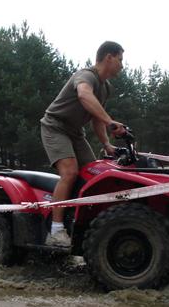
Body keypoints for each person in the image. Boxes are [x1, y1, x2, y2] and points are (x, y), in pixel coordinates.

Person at [40, 41, 126, 247]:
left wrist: (106, 144)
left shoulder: (106, 87)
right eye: (120, 60)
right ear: (109, 57)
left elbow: (96, 117)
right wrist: (110, 121)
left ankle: (77, 222)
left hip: (75, 133)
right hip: (55, 127)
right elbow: (84, 95)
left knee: (92, 174)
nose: (122, 65)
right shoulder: (86, 76)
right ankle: (56, 231)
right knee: (70, 172)